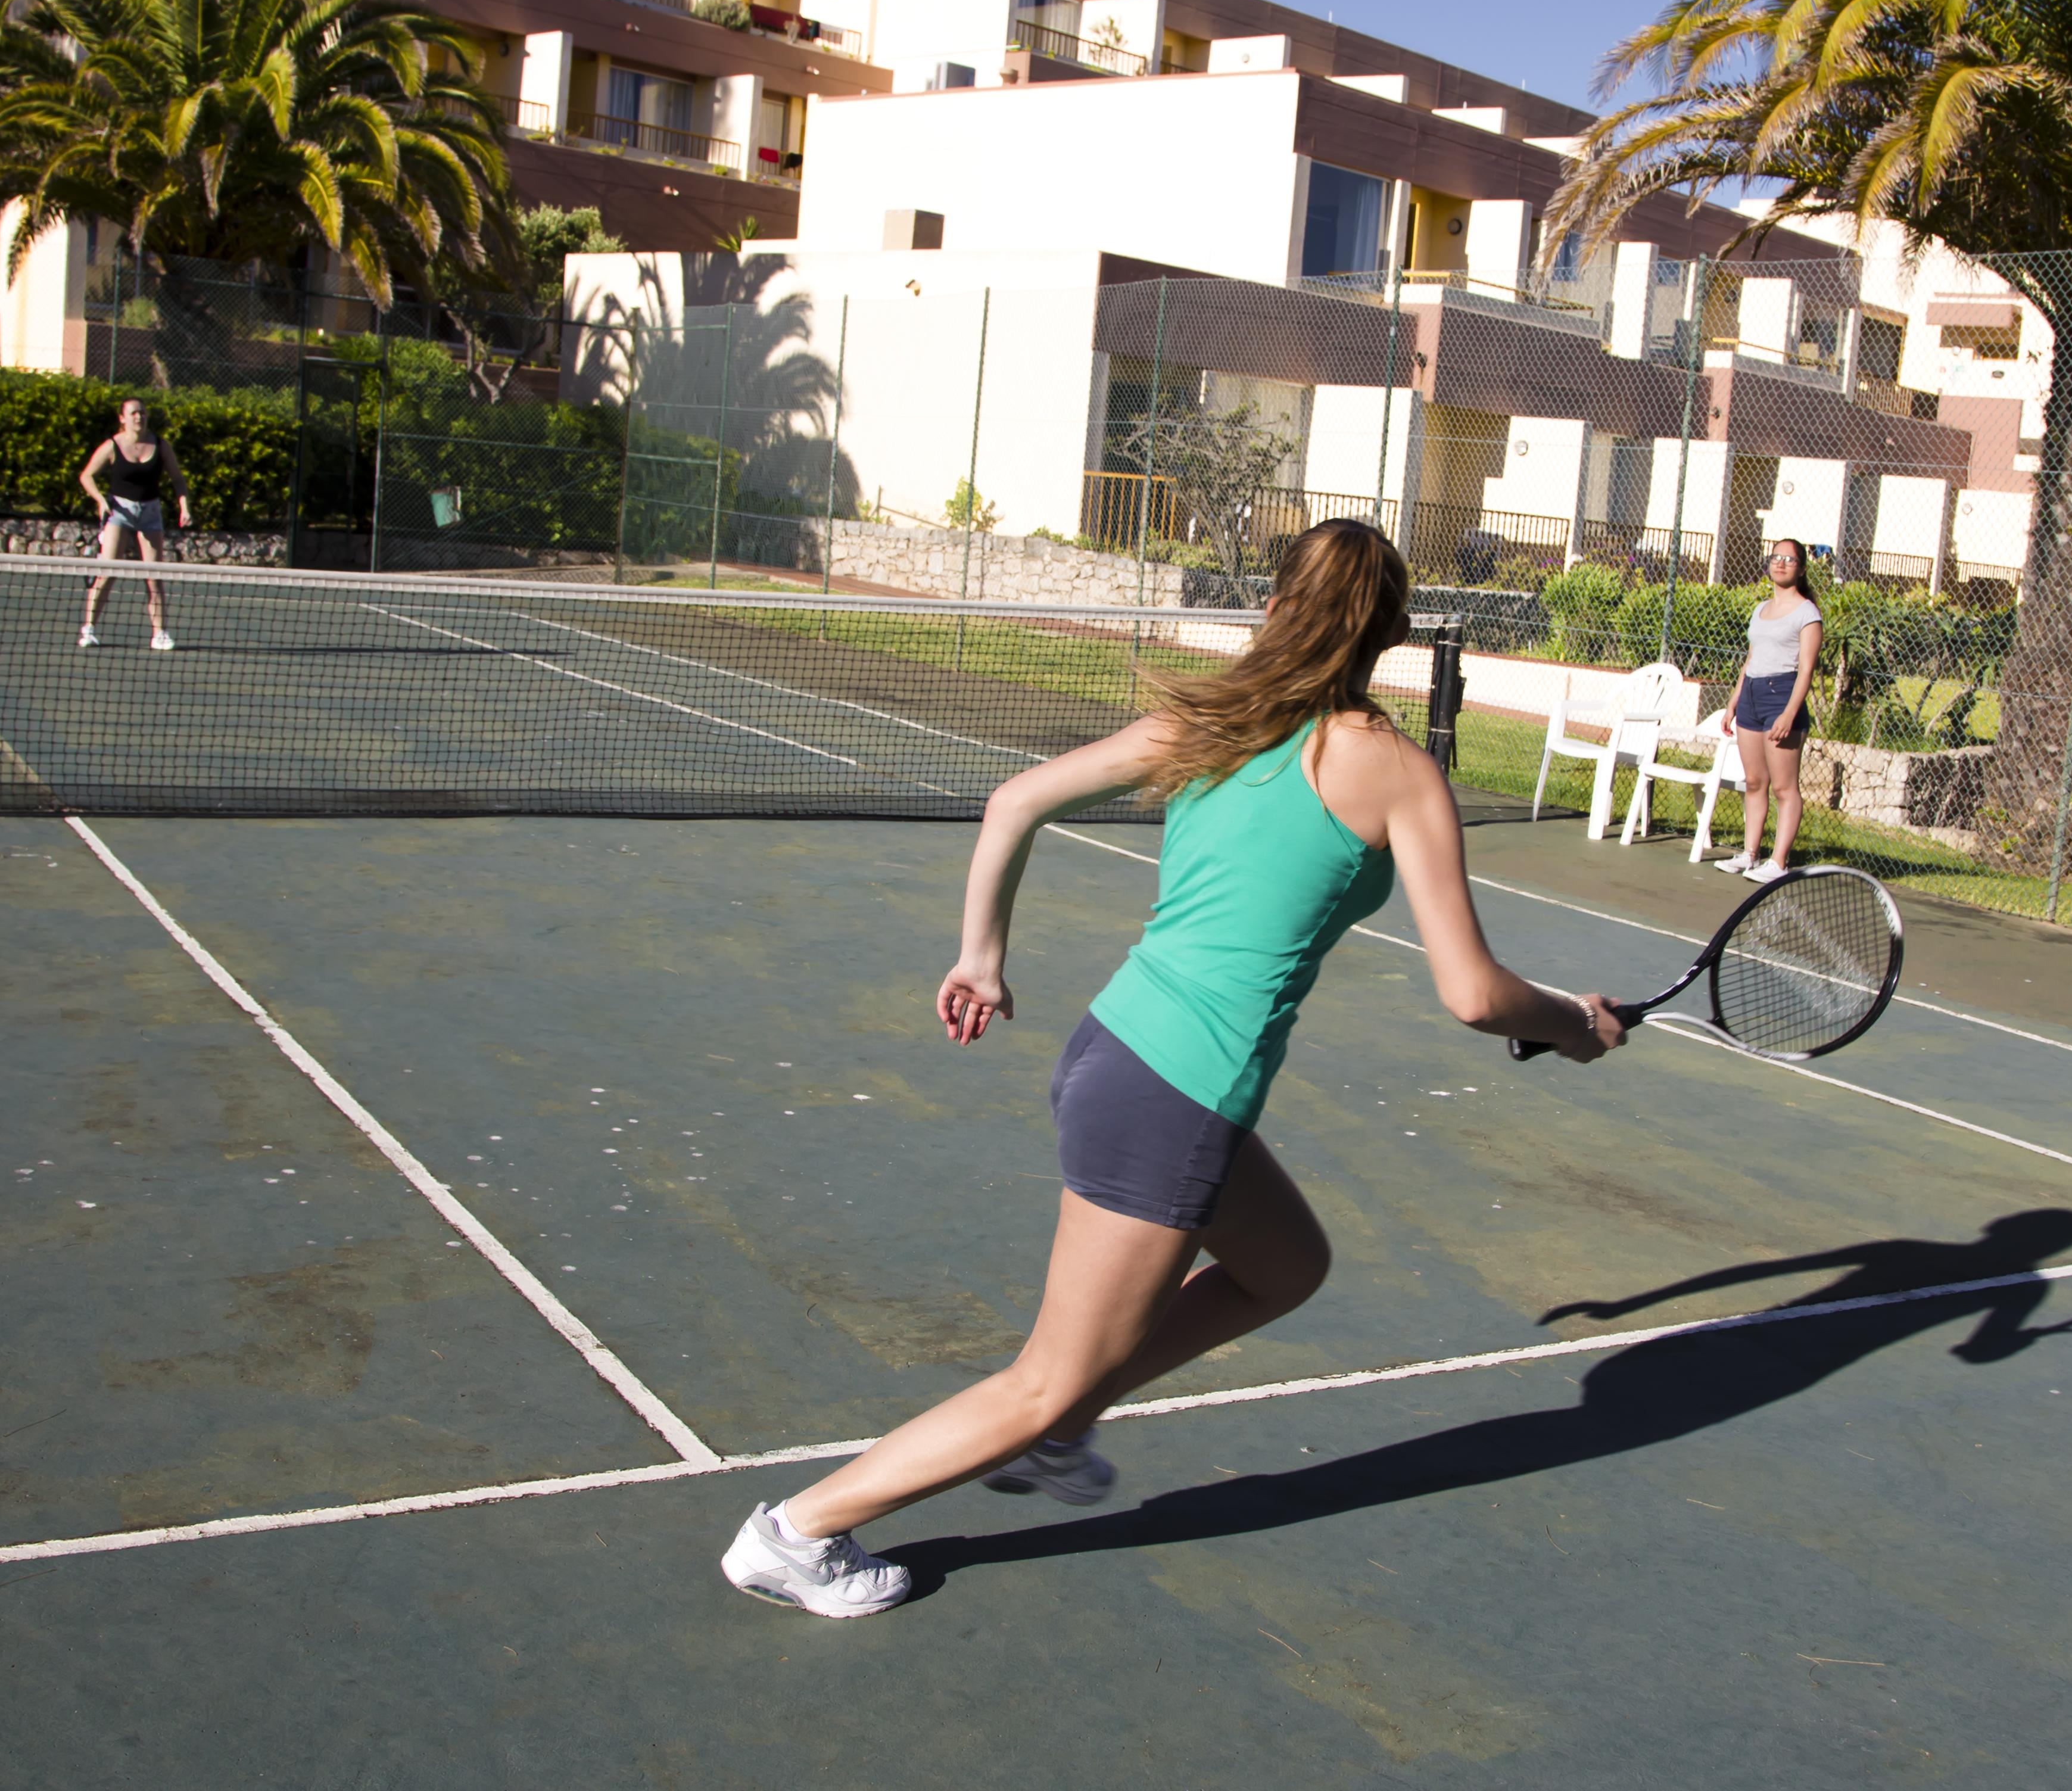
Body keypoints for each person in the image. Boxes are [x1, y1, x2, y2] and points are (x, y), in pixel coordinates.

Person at [718, 517, 1631, 1618]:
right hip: (1174, 1098)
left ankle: (1061, 1420)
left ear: (1278, 604)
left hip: (1115, 1049)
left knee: (1284, 1265)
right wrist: (1573, 1024)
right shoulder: (1395, 772)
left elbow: (1017, 800)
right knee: (1045, 1373)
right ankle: (797, 1529)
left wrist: (982, 957)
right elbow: (1475, 994)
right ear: (1390, 630)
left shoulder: (1209, 725)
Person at [1714, 537, 1824, 882]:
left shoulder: (1808, 613)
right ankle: (1750, 855)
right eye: (1776, 557)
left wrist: (1790, 714)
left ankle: (1778, 862)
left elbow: (1806, 670)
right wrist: (1733, 702)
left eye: (1789, 560)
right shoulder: (1760, 609)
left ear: (1802, 568)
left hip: (1782, 696)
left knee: (1783, 788)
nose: (1781, 563)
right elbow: (1751, 659)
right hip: (1751, 696)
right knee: (1755, 782)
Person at [76, 398, 192, 650]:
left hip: (150, 514)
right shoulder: (112, 446)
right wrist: (100, 500)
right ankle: (89, 629)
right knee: (108, 572)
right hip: (120, 513)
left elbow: (178, 480)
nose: (139, 417)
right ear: (123, 418)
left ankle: (160, 633)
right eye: (134, 413)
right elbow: (86, 475)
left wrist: (184, 507)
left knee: (154, 576)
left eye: (143, 412)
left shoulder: (161, 446)